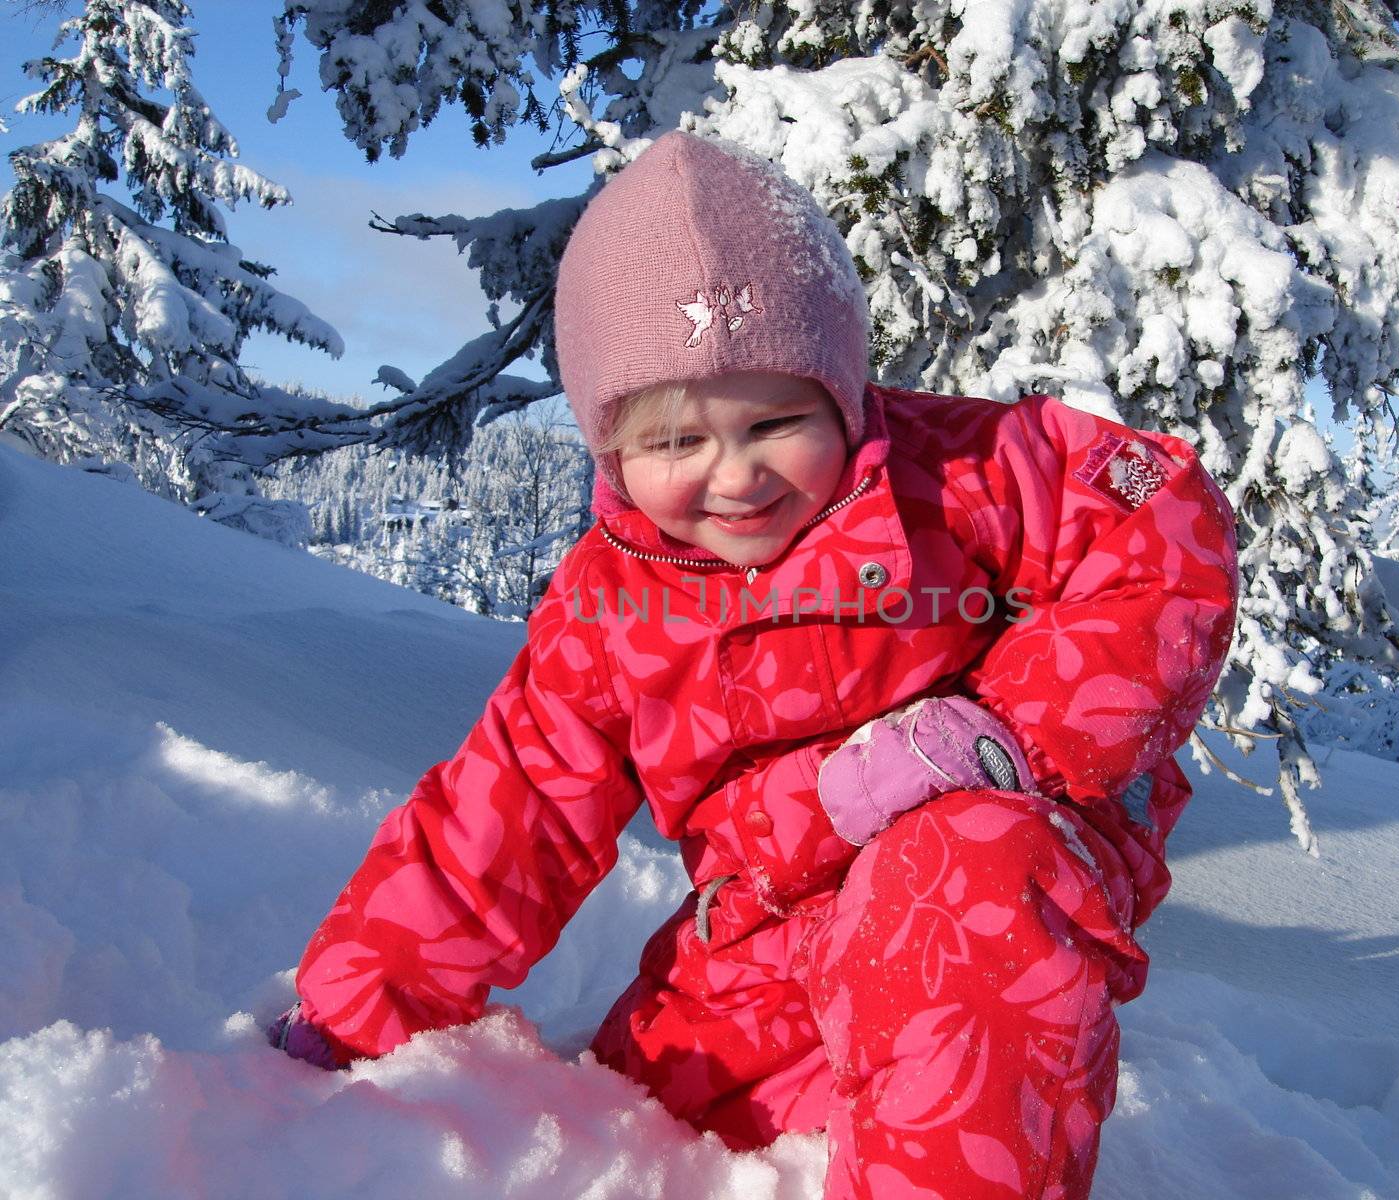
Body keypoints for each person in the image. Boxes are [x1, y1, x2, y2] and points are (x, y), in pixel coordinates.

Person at [268, 131, 1239, 1200]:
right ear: (611, 447)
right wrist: (356, 1011)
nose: (734, 476)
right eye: (678, 443)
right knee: (651, 1109)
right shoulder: (610, 606)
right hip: (768, 912)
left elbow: (1159, 527)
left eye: (776, 422)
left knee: (963, 903)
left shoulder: (956, 478)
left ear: (842, 395)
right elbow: (508, 816)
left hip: (997, 839)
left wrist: (1002, 732)